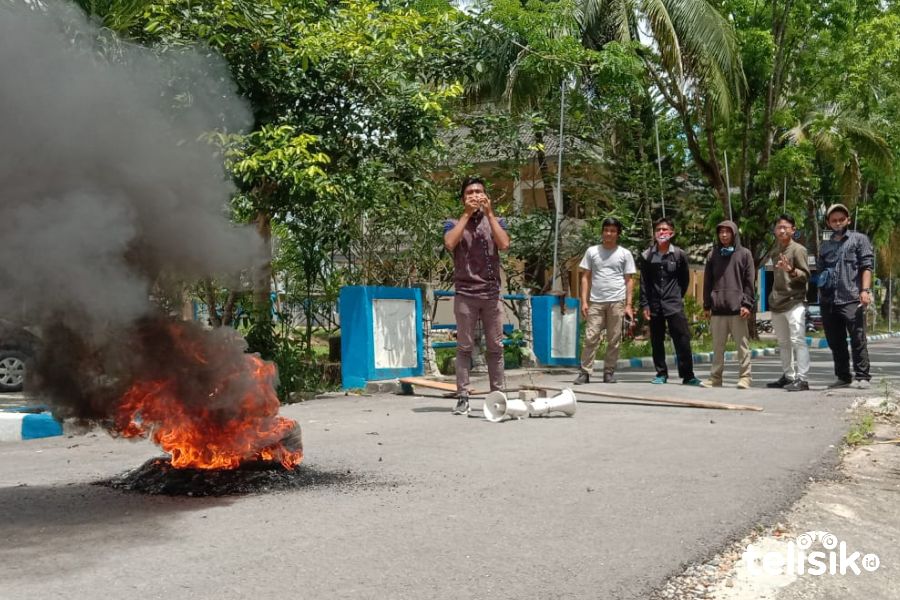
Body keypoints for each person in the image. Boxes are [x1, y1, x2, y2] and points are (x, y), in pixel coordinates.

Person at [443, 176, 510, 415]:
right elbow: (450, 243)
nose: (474, 195)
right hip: (465, 294)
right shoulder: (453, 223)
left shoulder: (497, 221)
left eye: (478, 192)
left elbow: (504, 244)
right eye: (469, 192)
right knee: (464, 347)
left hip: (491, 294)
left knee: (495, 347)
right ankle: (463, 395)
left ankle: (498, 395)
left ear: (486, 196)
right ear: (463, 198)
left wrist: (490, 214)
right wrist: (466, 215)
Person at [638, 217, 704, 386]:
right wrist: (645, 304)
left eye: (665, 230)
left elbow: (684, 280)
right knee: (656, 340)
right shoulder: (647, 256)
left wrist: (676, 296)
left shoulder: (679, 255)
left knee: (682, 339)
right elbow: (644, 282)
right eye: (659, 230)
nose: (662, 232)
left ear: (672, 233)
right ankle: (661, 373)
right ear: (654, 234)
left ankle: (688, 375)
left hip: (674, 304)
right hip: (654, 305)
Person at [817, 203, 874, 389]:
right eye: (834, 220)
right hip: (829, 300)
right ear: (828, 222)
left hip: (851, 298)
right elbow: (820, 271)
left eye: (841, 219)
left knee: (858, 338)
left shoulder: (859, 240)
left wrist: (864, 291)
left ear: (848, 220)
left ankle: (862, 376)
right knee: (835, 341)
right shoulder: (825, 246)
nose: (838, 223)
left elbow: (867, 267)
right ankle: (843, 376)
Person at [574, 217, 636, 385]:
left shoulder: (625, 254)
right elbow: (585, 277)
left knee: (614, 338)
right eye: (606, 230)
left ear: (618, 234)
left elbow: (629, 279)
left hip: (617, 301)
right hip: (596, 301)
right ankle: (585, 372)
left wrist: (628, 305)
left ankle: (609, 372)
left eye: (613, 230)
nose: (609, 233)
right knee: (590, 337)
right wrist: (584, 301)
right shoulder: (592, 251)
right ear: (602, 232)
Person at [702, 220, 756, 389]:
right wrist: (706, 305)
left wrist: (747, 304)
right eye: (721, 232)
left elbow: (749, 282)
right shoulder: (713, 255)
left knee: (742, 346)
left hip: (738, 309)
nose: (724, 235)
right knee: (717, 347)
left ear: (734, 234)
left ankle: (745, 377)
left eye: (727, 232)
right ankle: (715, 378)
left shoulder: (745, 254)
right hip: (717, 309)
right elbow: (707, 282)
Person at [766, 214, 812, 392]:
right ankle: (788, 376)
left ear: (793, 230)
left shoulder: (798, 250)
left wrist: (791, 269)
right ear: (775, 231)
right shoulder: (775, 250)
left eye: (786, 227)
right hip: (777, 303)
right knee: (783, 343)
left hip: (794, 302)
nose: (782, 230)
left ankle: (803, 379)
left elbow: (806, 276)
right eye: (779, 227)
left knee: (798, 341)